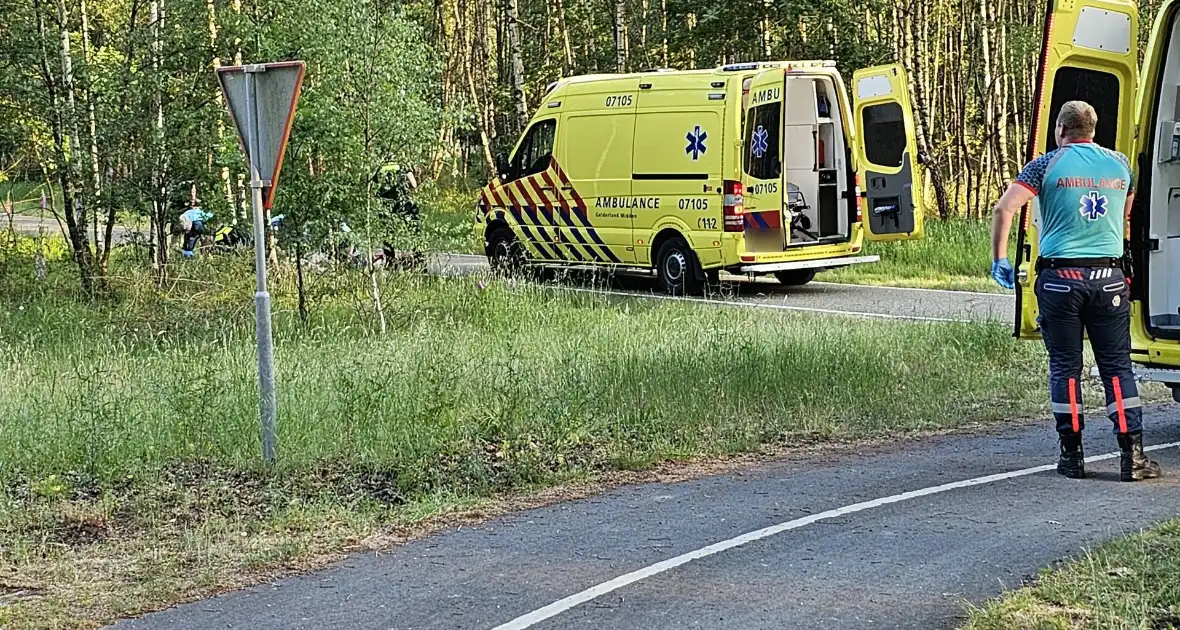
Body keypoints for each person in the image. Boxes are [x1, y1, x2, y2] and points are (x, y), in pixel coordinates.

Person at [991, 100, 1160, 482]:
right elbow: (1124, 219)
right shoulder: (1121, 166)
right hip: (1108, 278)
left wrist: (1000, 258)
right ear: (1094, 129)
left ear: (1060, 130)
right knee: (1116, 368)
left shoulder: (1044, 165)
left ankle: (1072, 456)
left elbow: (1005, 209)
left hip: (1059, 280)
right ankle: (1131, 457)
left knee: (1065, 368)